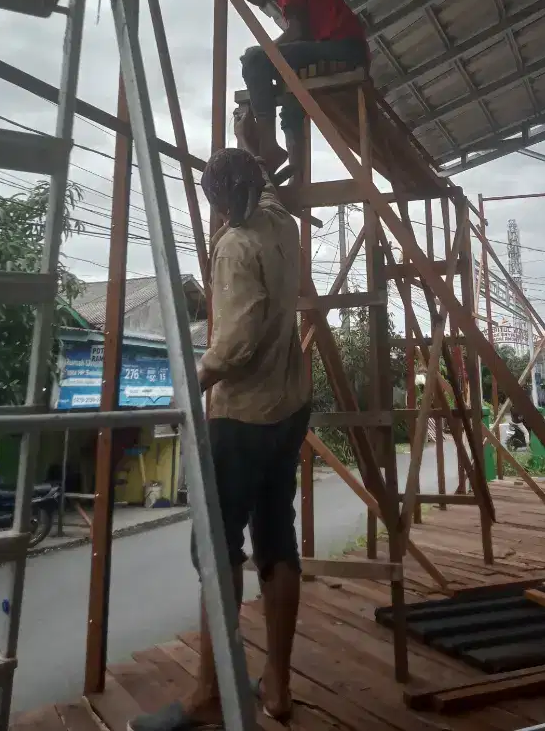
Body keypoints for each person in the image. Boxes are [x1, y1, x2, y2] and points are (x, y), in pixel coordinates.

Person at [129, 126, 310, 731]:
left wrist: (193, 382)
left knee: (216, 544)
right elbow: (268, 186)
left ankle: (210, 690)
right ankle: (278, 687)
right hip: (292, 402)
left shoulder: (235, 246)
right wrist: (252, 136)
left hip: (244, 413)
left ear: (221, 201)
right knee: (276, 534)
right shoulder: (284, 225)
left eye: (215, 200)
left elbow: (233, 344)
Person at [230, 0, 369, 179]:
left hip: (344, 47)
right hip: (340, 48)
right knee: (289, 90)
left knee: (254, 62)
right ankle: (295, 171)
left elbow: (297, 32)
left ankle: (268, 147)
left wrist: (261, 52)